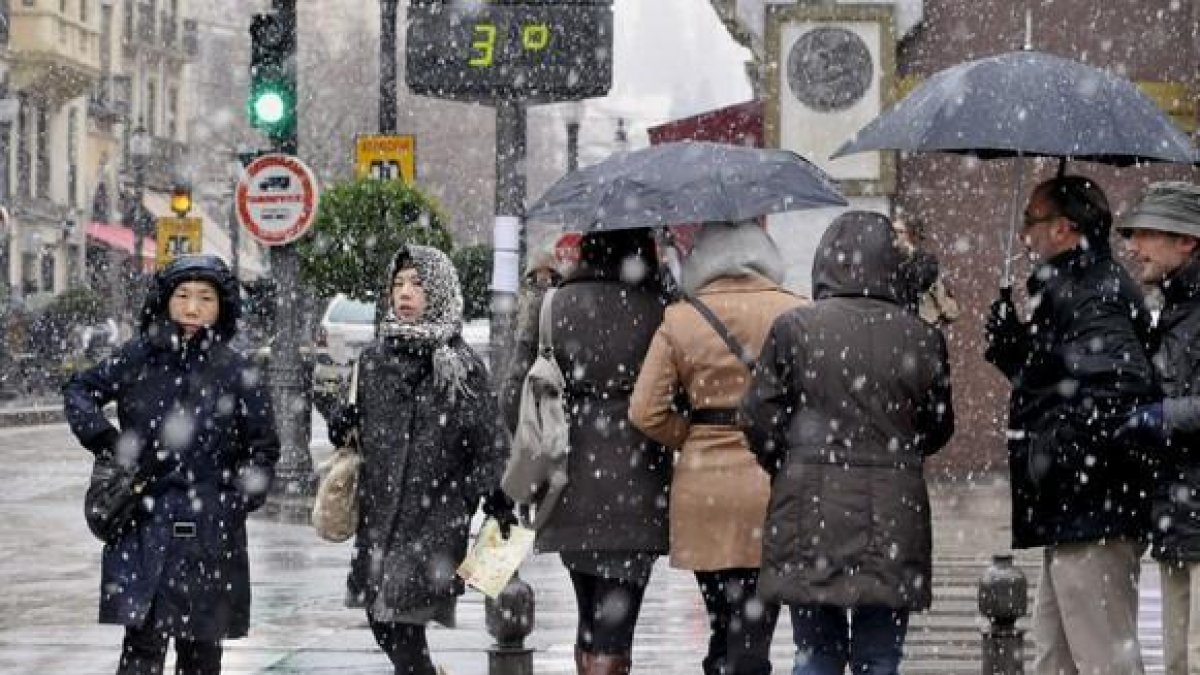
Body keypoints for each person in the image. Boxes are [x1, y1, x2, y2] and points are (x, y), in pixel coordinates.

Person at [739, 211, 955, 675]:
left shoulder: (795, 328)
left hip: (809, 508)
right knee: (879, 656)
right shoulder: (921, 337)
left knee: (816, 652)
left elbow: (759, 416)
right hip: (895, 513)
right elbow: (938, 427)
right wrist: (895, 450)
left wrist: (792, 461)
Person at [62, 254, 281, 675]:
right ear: (165, 300)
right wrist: (109, 442)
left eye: (205, 298)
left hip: (210, 532)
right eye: (182, 296)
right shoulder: (138, 357)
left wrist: (237, 500)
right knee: (141, 649)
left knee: (201, 654)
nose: (193, 308)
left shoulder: (237, 370)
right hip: (145, 521)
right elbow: (80, 391)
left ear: (223, 306)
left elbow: (263, 448)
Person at [984, 175, 1157, 674]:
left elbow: (1118, 387)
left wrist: (1056, 450)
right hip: (1076, 511)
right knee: (1054, 659)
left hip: (1093, 509)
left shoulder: (1094, 292)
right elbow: (1060, 378)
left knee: (1103, 658)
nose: (1024, 234)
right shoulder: (1070, 287)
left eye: (1030, 220)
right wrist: (1013, 347)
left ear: (1063, 228)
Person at [326, 244, 516, 675]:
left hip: (435, 516)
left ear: (441, 292)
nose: (405, 293)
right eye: (398, 284)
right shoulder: (373, 359)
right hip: (379, 516)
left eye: (417, 284)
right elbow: (347, 431)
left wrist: (494, 497)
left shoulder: (461, 365)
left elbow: (488, 441)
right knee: (382, 621)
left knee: (402, 622)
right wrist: (343, 418)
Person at [628, 220, 803, 675]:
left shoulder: (682, 319)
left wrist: (692, 435)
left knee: (722, 620)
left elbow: (645, 410)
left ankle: (723, 661)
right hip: (771, 484)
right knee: (755, 627)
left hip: (704, 488)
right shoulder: (795, 312)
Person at [500, 228, 672, 675]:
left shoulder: (552, 305)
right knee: (617, 623)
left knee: (590, 619)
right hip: (640, 485)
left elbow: (511, 398)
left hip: (567, 483)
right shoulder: (659, 310)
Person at [1116, 181, 1200, 675]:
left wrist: (1162, 416)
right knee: (1177, 661)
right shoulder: (1174, 305)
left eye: (1145, 233)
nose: (1132, 247)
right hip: (1179, 515)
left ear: (1187, 240)